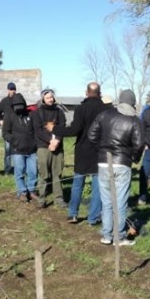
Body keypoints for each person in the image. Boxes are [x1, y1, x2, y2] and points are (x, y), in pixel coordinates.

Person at [87, 89, 144, 246]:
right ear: (132, 103)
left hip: (104, 163)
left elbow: (91, 135)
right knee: (120, 202)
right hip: (122, 163)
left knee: (107, 202)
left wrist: (101, 151)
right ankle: (119, 237)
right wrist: (134, 158)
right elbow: (139, 145)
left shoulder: (105, 115)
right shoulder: (134, 120)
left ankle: (106, 235)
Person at [55, 82, 110, 224]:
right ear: (100, 93)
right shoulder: (106, 109)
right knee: (97, 186)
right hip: (100, 152)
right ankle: (93, 218)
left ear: (86, 92)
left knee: (78, 183)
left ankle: (73, 214)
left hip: (83, 150)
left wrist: (55, 129)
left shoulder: (81, 108)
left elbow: (74, 130)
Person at [31, 89, 67, 208]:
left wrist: (56, 141)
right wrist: (50, 141)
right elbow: (38, 131)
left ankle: (59, 198)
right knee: (43, 173)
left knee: (57, 173)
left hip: (57, 146)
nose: (50, 99)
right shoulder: (37, 113)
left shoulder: (59, 112)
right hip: (43, 147)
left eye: (51, 97)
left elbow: (62, 127)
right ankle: (41, 198)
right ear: (43, 99)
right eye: (47, 98)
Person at [3, 93, 37, 201]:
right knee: (19, 172)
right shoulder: (9, 116)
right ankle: (22, 192)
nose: (19, 107)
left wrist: (35, 143)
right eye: (16, 105)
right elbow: (5, 133)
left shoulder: (31, 115)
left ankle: (31, 190)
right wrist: (15, 142)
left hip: (32, 149)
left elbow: (36, 130)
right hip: (17, 150)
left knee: (33, 172)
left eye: (21, 105)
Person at [0, 82, 16, 175]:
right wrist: (0, 120)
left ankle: (17, 169)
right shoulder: (4, 101)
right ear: (8, 90)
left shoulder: (18, 100)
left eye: (14, 89)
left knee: (17, 150)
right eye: (11, 89)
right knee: (8, 150)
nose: (12, 91)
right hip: (7, 129)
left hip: (17, 129)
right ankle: (7, 170)